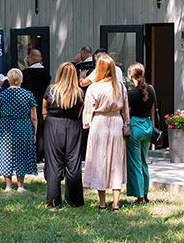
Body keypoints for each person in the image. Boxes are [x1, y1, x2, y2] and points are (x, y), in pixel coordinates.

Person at [82, 55, 129, 213]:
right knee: (116, 162)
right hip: (117, 123)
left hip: (100, 124)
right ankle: (115, 204)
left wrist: (87, 123)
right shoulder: (121, 86)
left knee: (100, 162)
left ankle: (102, 203)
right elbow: (126, 110)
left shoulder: (93, 87)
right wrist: (126, 123)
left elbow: (88, 110)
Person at [43, 62, 84, 210]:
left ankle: (52, 202)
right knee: (73, 163)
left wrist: (50, 121)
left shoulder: (51, 89)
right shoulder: (79, 93)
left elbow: (44, 109)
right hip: (73, 127)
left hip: (53, 126)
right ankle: (74, 201)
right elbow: (80, 112)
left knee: (54, 163)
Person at [0, 68, 38, 193]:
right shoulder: (28, 95)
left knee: (6, 153)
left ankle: (8, 185)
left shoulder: (1, 95)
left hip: (5, 126)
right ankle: (21, 185)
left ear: (8, 80)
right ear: (21, 80)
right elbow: (34, 117)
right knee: (21, 154)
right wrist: (34, 132)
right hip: (23, 126)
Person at [126, 62, 156, 204]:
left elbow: (126, 112)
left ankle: (139, 198)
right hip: (148, 127)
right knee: (144, 162)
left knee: (135, 162)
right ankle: (145, 194)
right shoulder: (151, 89)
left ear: (131, 75)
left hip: (135, 127)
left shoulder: (131, 93)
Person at [21, 49, 51, 162]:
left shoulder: (25, 73)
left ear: (30, 59)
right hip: (43, 103)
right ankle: (41, 153)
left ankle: (29, 153)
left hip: (28, 104)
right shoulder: (46, 73)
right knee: (41, 128)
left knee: (29, 129)